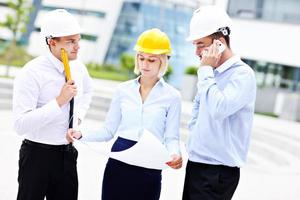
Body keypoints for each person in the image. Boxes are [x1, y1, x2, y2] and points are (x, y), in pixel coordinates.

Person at [67, 28, 183, 200]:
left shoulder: (173, 96)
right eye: (141, 58)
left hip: (150, 162)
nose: (145, 64)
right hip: (120, 159)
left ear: (163, 61)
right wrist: (81, 134)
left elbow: (172, 137)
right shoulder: (123, 90)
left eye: (151, 60)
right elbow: (108, 131)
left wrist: (175, 153)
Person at [13, 9, 93, 200]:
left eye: (78, 40)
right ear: (52, 42)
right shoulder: (31, 72)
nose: (77, 46)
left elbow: (88, 92)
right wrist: (59, 102)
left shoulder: (79, 68)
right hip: (36, 156)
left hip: (67, 155)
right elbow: (20, 124)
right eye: (70, 41)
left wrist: (77, 119)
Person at [182, 6, 256, 200]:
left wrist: (205, 71)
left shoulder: (242, 74)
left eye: (201, 44)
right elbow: (199, 112)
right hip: (197, 166)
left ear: (220, 43)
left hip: (218, 173)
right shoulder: (212, 73)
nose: (197, 52)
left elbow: (219, 109)